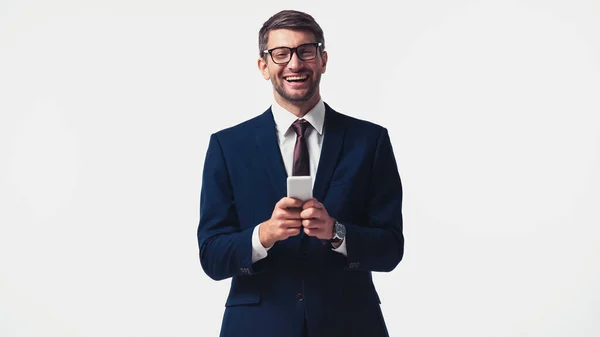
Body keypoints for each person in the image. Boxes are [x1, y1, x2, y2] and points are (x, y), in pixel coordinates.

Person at [197, 9, 404, 337]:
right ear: (263, 66)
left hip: (350, 325)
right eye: (280, 54)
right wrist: (264, 235)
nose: (294, 64)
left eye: (305, 51)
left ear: (322, 59)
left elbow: (391, 248)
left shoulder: (370, 141)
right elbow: (211, 255)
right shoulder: (227, 146)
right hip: (255, 327)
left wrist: (336, 233)